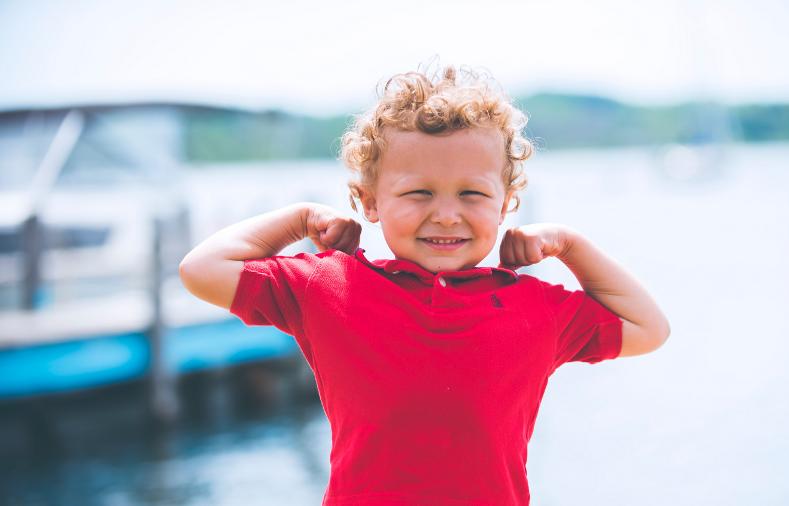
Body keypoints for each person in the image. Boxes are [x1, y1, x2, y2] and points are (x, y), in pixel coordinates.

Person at [179, 65, 670, 506]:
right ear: (369, 202)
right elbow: (202, 269)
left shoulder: (535, 308)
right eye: (419, 192)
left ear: (506, 205)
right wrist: (298, 219)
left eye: (472, 194)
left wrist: (571, 245)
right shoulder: (330, 286)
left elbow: (650, 328)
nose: (446, 214)